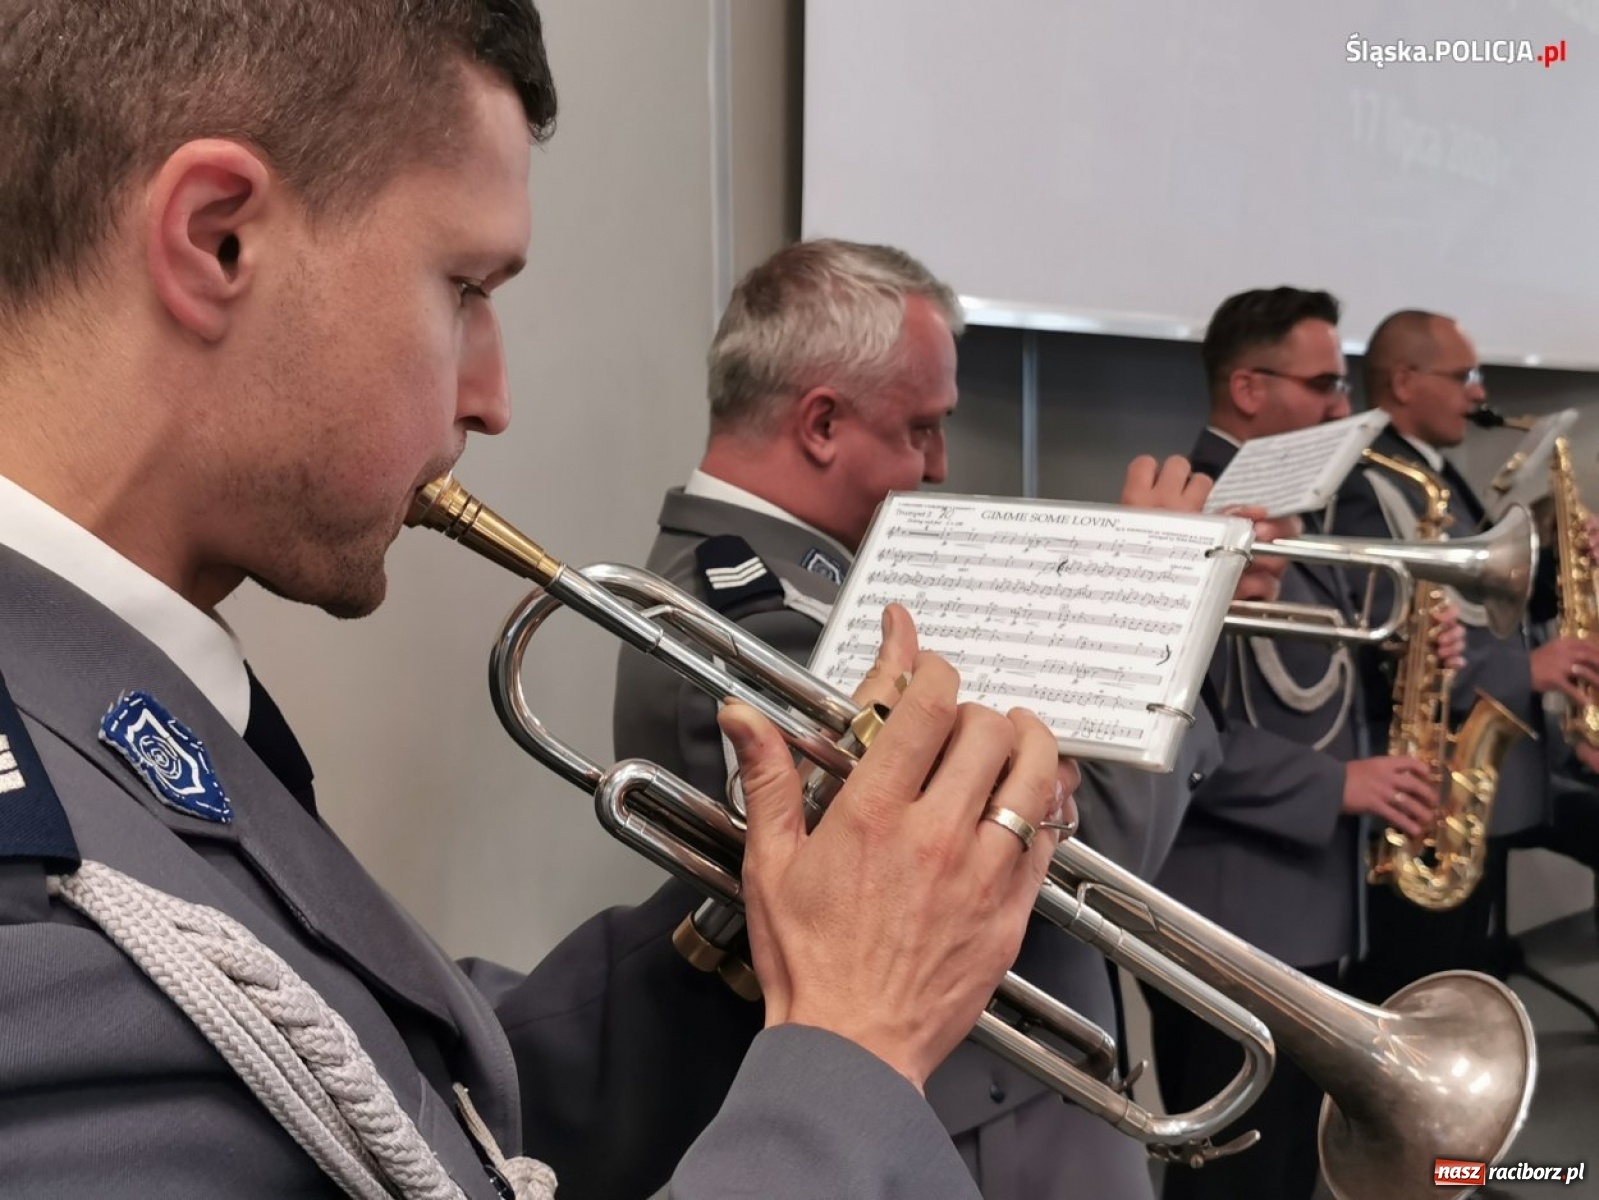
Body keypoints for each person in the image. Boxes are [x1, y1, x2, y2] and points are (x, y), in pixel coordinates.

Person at [0, 5, 1078, 1198]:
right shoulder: (29, 914)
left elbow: (392, 1090)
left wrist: (763, 930)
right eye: (464, 286)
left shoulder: (109, 686)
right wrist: (853, 1049)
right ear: (219, 242)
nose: (494, 398)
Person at [612, 239, 1291, 1200]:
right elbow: (1076, 859)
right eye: (922, 429)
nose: (938, 466)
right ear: (820, 423)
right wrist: (1159, 609)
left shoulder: (828, 582)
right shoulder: (747, 616)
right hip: (971, 1132)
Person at [1143, 287, 1466, 1200]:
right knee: (1238, 1177)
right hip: (1232, 910)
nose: (1342, 407)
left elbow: (1314, 666)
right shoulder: (1188, 507)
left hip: (1301, 902)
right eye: (1324, 384)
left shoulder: (1293, 512)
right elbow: (1169, 727)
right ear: (1247, 388)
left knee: (1284, 1164)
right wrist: (1337, 785)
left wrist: (1406, 646)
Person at [1329, 308, 1599, 1002]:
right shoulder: (1371, 484)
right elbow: (1391, 638)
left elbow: (1482, 606)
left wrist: (1560, 565)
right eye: (1463, 376)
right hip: (1429, 783)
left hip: (1474, 775)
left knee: (1463, 969)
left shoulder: (1432, 471)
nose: (1478, 393)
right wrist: (1526, 670)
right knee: (1421, 982)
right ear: (1404, 380)